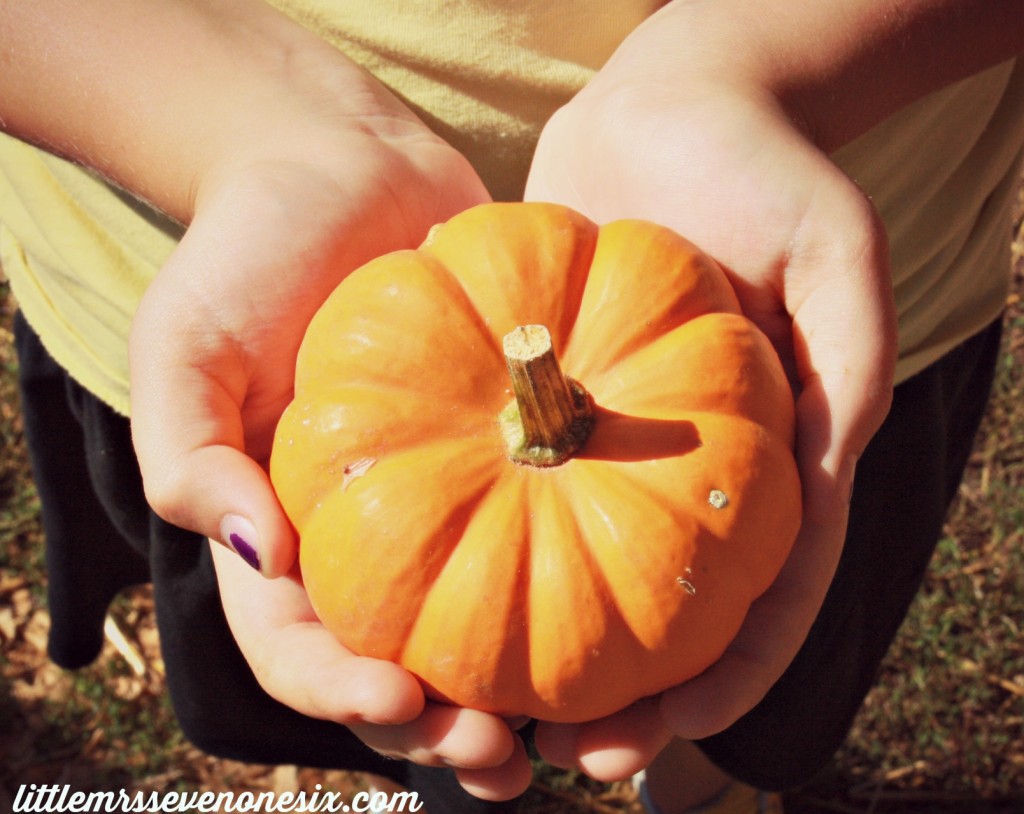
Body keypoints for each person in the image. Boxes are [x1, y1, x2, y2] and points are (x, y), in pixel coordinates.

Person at [1, 1, 1022, 812]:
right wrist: (231, 125)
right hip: (228, 293)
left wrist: (767, 55)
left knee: (743, 676)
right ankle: (458, 783)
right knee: (417, 686)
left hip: (800, 307)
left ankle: (702, 779)